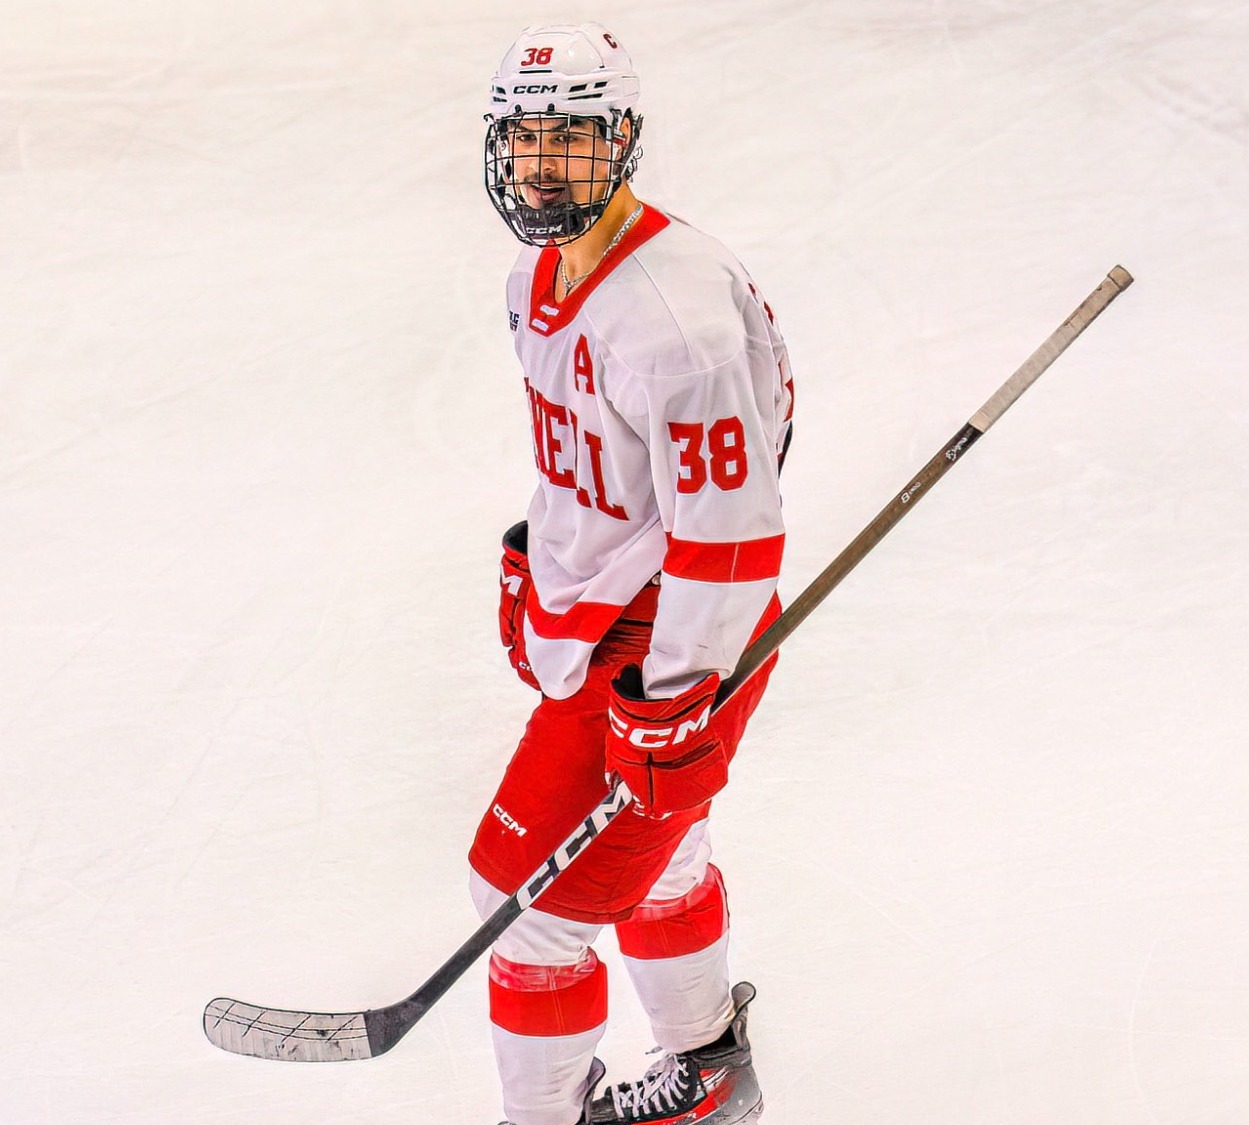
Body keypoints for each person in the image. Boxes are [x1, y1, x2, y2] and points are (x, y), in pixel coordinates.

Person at [467, 23, 795, 1125]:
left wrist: (677, 692)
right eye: (526, 139)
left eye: (573, 138)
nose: (544, 163)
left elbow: (733, 536)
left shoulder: (672, 316)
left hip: (677, 638)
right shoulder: (537, 277)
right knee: (659, 857)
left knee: (526, 912)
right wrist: (544, 574)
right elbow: (591, 469)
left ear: (623, 143)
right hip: (615, 618)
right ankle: (707, 1072)